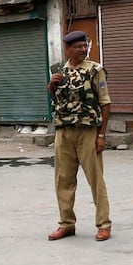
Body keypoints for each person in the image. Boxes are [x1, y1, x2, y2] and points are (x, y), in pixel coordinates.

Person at [47, 30, 112, 242]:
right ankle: (66, 224)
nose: (83, 50)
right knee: (63, 180)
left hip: (88, 131)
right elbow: (57, 100)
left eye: (85, 46)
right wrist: (51, 86)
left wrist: (101, 135)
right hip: (64, 132)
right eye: (78, 47)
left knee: (96, 180)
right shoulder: (58, 71)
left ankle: (104, 224)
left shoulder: (95, 70)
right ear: (67, 49)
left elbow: (105, 103)